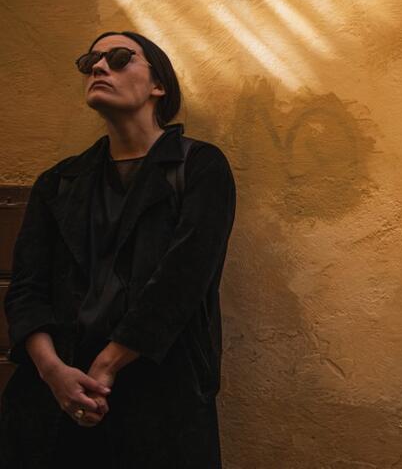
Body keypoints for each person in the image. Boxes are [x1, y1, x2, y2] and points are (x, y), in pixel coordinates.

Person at [0, 31, 236, 468]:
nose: (99, 67)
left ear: (158, 85)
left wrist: (105, 368)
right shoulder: (59, 182)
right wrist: (52, 371)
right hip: (52, 401)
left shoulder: (200, 167)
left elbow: (181, 284)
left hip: (159, 396)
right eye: (91, 59)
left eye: (120, 57)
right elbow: (26, 288)